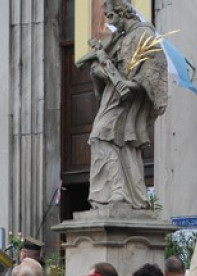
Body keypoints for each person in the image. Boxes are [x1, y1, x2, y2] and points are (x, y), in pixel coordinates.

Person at [77, 0, 167, 209]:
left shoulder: (143, 33)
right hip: (113, 94)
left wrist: (131, 84)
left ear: (123, 12)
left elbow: (155, 68)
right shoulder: (120, 38)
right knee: (119, 142)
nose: (109, 21)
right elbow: (99, 71)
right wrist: (99, 71)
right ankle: (125, 194)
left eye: (110, 16)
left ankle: (118, 190)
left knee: (101, 136)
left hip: (128, 98)